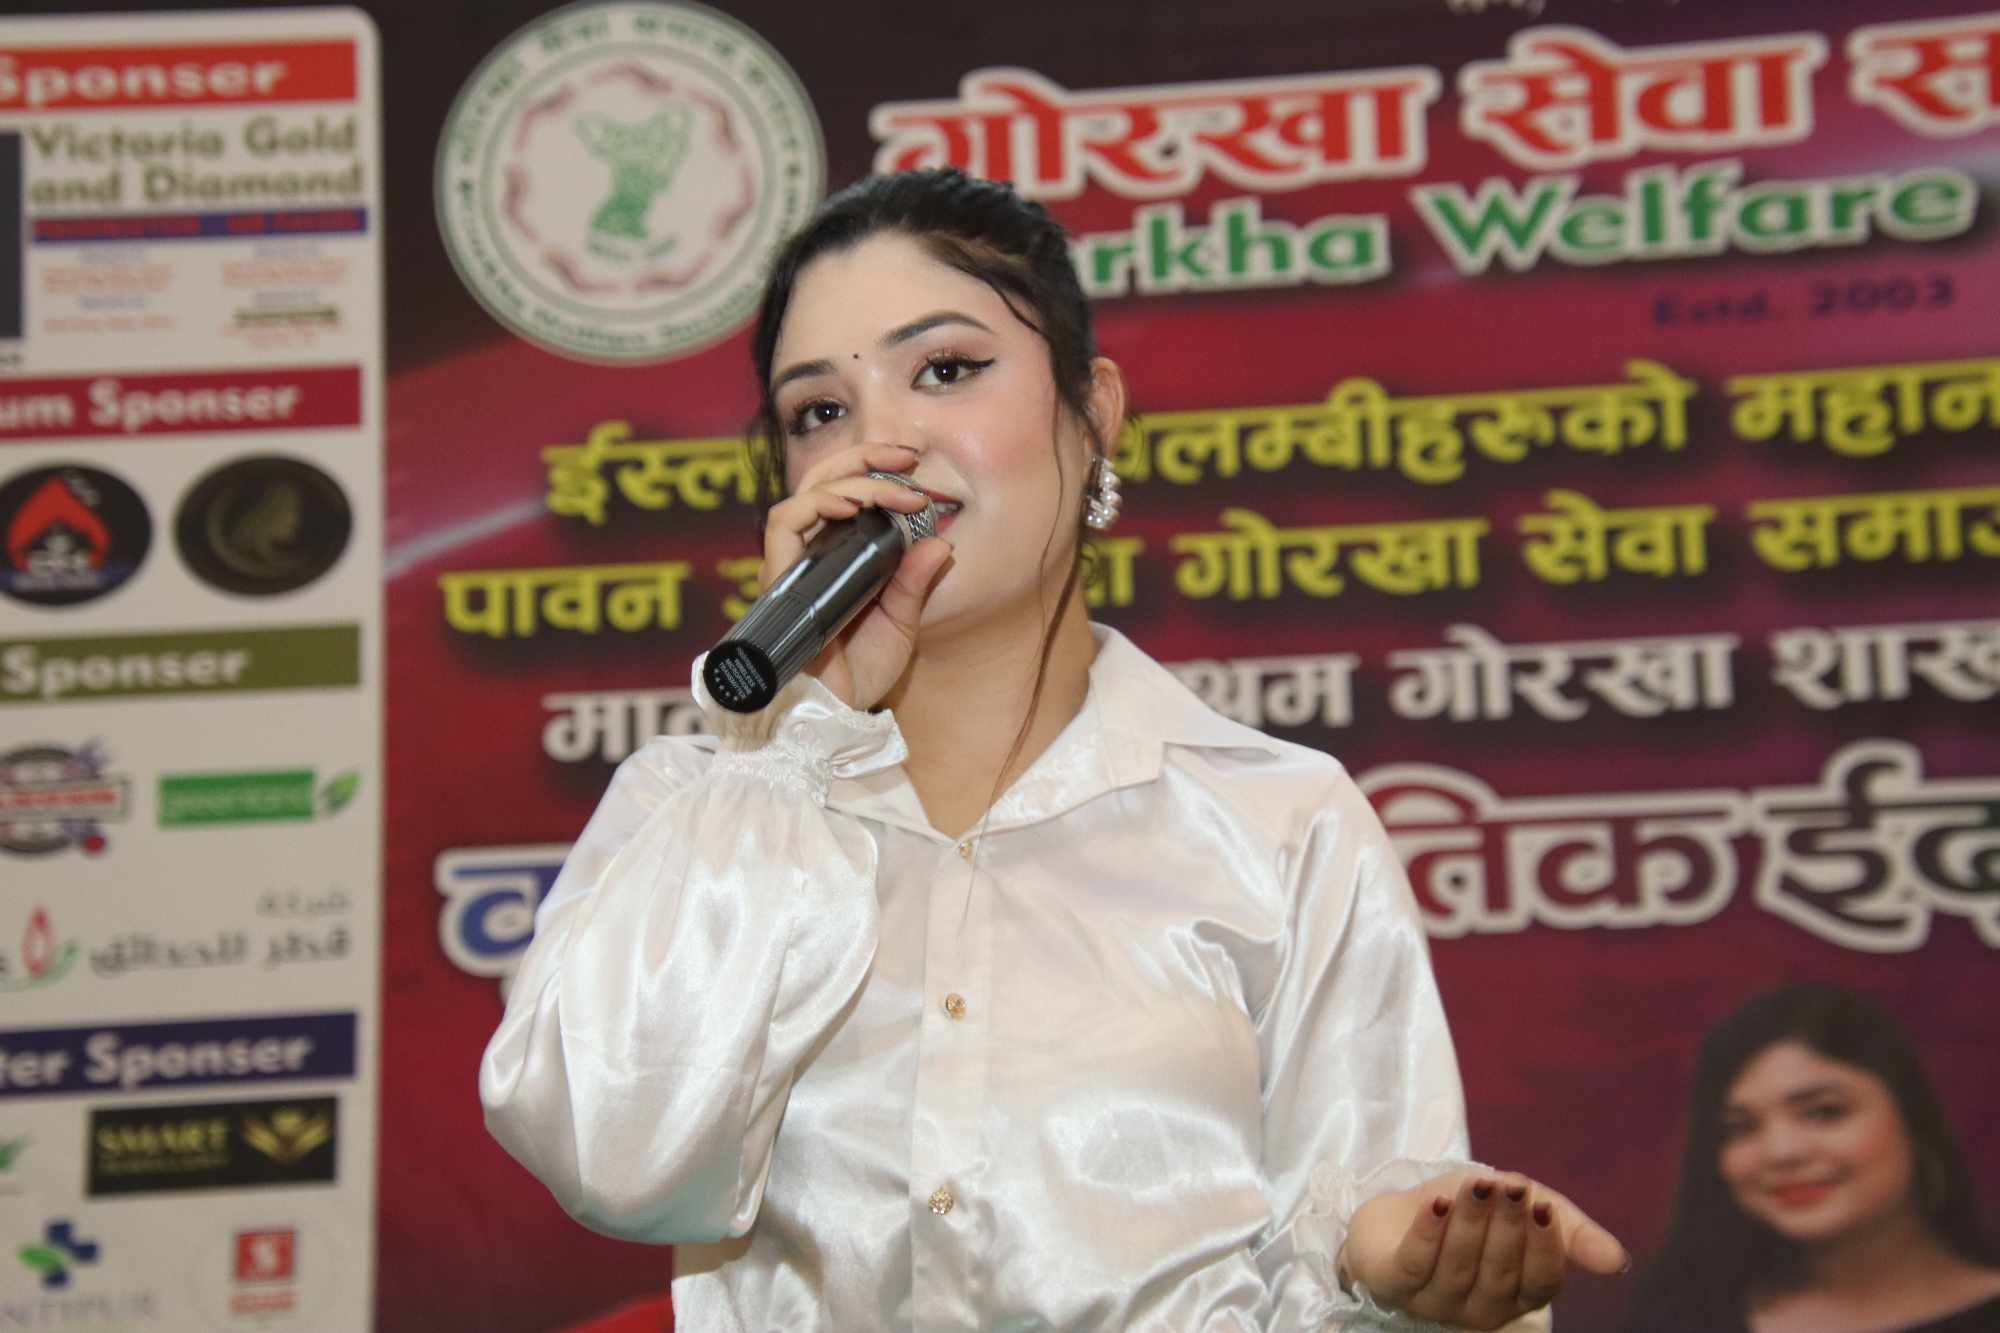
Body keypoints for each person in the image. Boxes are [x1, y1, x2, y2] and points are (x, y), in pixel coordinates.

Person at [481, 167, 1626, 1331]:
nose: (882, 442)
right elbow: (616, 1161)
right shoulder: (692, 810)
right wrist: (794, 749)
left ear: (1091, 411)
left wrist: (1389, 1273)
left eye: (945, 370)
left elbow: (1362, 1214)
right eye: (818, 411)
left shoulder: (1277, 818)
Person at [1623, 983, 2000, 1333]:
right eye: (1742, 1128)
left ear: (1913, 1119)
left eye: (1823, 1112)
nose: (1781, 1152)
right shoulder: (1680, 1319)